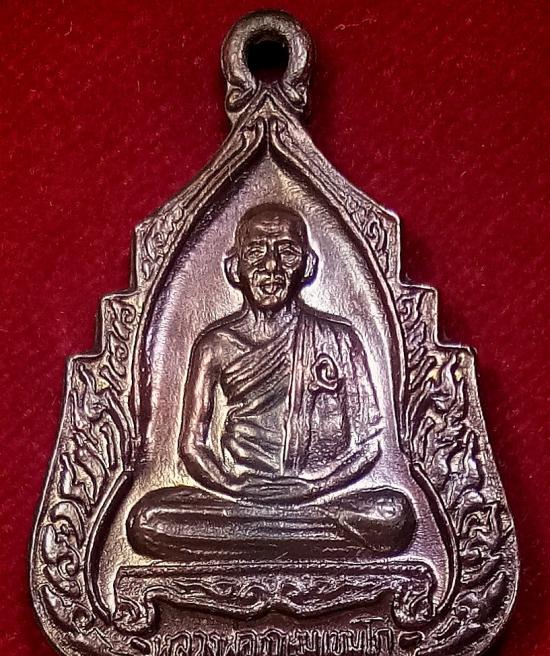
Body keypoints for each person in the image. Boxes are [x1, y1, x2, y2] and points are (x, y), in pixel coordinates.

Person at [128, 204, 415, 560]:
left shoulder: (339, 338)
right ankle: (294, 535)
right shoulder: (216, 345)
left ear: (308, 265)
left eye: (287, 252)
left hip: (320, 495)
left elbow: (369, 445)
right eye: (256, 252)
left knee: (392, 514)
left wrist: (313, 487)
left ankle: (257, 536)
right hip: (239, 496)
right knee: (150, 520)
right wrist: (234, 486)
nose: (271, 266)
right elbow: (192, 446)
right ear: (235, 267)